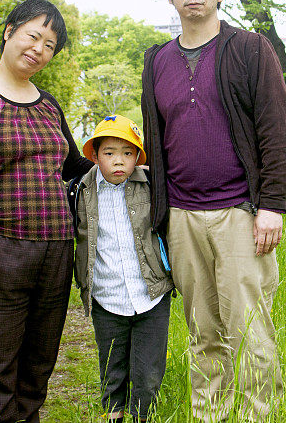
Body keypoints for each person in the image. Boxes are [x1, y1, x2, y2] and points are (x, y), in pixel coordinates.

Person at [141, 0, 286, 422]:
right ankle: (209, 415)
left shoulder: (249, 48)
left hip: (240, 213)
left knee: (250, 329)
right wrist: (161, 218)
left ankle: (257, 416)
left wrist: (271, 204)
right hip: (183, 217)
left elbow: (276, 129)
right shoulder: (156, 61)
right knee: (203, 332)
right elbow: (155, 139)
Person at [0, 0, 93, 423]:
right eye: (34, 36)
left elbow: (72, 166)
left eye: (50, 45)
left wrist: (126, 162)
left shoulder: (48, 103)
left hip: (56, 248)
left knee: (38, 366)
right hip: (0, 248)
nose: (39, 49)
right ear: (9, 31)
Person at [71, 115, 174, 423]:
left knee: (148, 372)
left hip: (151, 294)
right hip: (107, 296)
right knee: (112, 368)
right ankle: (114, 414)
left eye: (127, 153)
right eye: (109, 153)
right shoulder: (80, 190)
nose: (119, 161)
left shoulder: (151, 185)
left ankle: (144, 416)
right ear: (94, 155)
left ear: (137, 157)